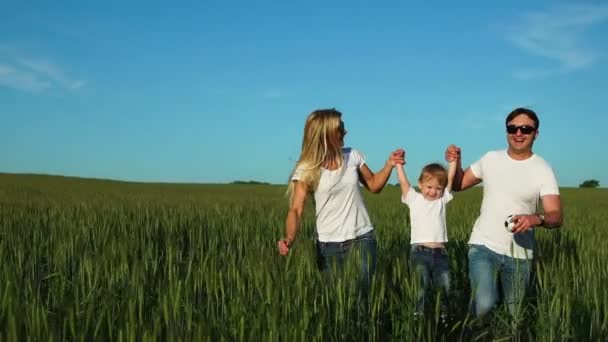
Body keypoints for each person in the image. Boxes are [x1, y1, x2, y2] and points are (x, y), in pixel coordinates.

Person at [446, 107, 563, 319]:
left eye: (525, 129)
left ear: (535, 133)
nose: (518, 133)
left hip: (520, 255)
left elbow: (555, 215)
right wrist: (456, 163)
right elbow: (459, 184)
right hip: (483, 246)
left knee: (514, 316)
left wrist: (535, 218)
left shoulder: (543, 169)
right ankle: (474, 333)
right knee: (484, 304)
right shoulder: (491, 158)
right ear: (507, 131)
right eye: (513, 128)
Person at [277, 108, 404, 294]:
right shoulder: (307, 169)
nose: (345, 131)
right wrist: (289, 238)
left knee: (362, 297)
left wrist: (389, 165)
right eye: (340, 127)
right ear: (326, 133)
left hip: (362, 237)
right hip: (328, 246)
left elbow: (374, 185)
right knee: (336, 300)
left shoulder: (352, 155)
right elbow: (296, 209)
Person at [396, 151, 456, 324]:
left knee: (445, 288)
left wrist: (453, 161)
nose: (433, 192)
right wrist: (399, 164)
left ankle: (445, 320)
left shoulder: (442, 200)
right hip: (419, 252)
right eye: (429, 187)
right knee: (419, 289)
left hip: (441, 253)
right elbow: (403, 183)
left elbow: (450, 179)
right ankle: (418, 319)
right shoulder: (413, 199)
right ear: (420, 184)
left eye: (438, 188)